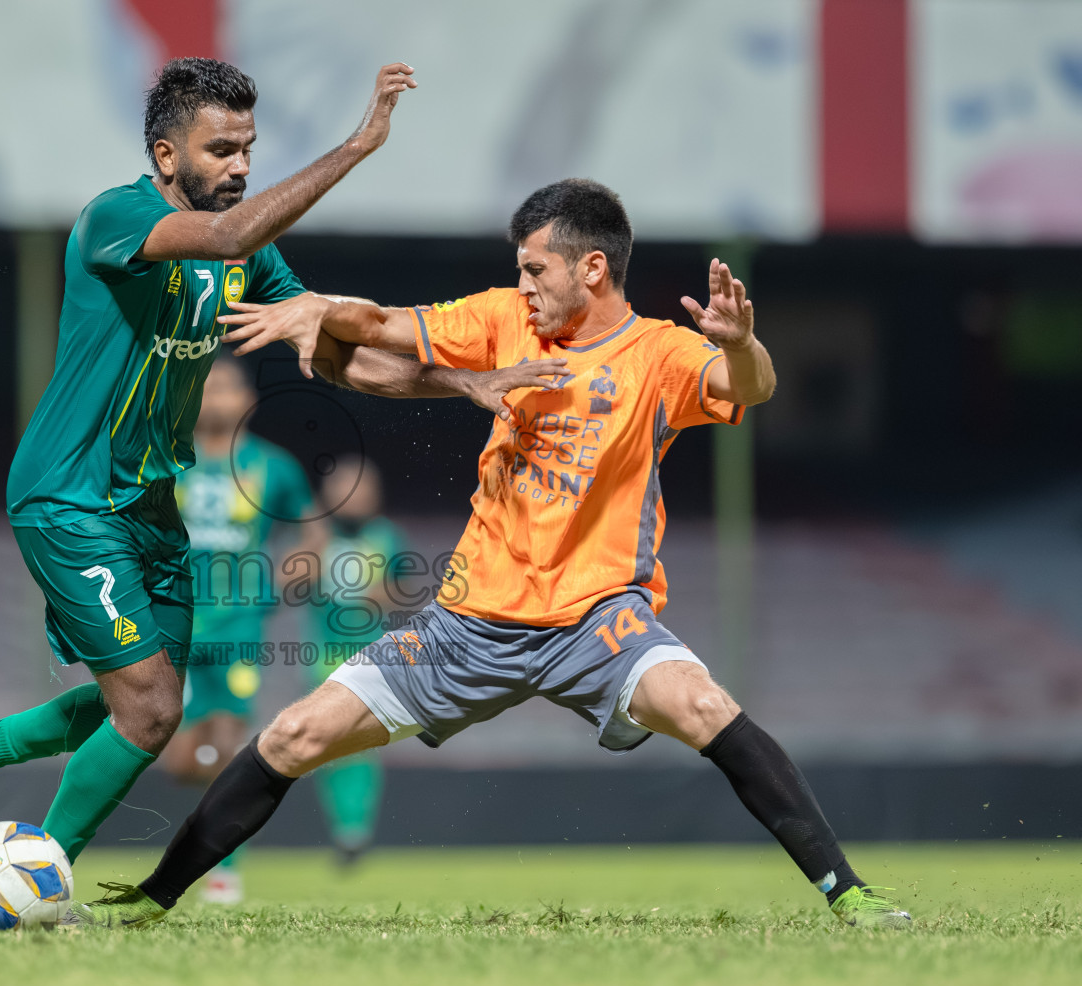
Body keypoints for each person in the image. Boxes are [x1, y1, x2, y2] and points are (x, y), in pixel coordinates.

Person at [67, 178, 913, 929]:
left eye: (534, 270)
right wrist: (317, 307)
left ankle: (850, 893)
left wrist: (736, 341)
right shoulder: (506, 321)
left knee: (702, 706)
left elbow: (750, 388)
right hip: (465, 625)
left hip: (597, 618)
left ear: (590, 270)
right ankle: (154, 897)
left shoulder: (659, 354)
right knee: (293, 734)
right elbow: (391, 327)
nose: (522, 286)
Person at [0, 56, 568, 869]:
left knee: (151, 707)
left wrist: (471, 384)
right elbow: (227, 232)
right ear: (165, 156)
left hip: (150, 507)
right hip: (68, 497)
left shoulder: (247, 263)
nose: (242, 165)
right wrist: (359, 144)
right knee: (150, 710)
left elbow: (338, 357)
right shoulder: (118, 217)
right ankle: (40, 873)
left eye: (248, 147)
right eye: (222, 150)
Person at [165, 357, 314, 904]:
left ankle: (224, 869)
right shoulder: (165, 461)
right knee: (182, 760)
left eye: (227, 386)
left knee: (232, 741)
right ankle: (208, 785)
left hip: (238, 626)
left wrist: (275, 590)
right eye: (207, 387)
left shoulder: (273, 467)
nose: (218, 397)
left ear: (246, 398)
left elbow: (311, 533)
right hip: (173, 624)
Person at [305, 456, 403, 865]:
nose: (353, 496)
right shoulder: (314, 533)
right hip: (323, 655)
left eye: (361, 488)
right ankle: (347, 826)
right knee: (326, 745)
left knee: (358, 744)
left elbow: (401, 592)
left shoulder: (387, 535)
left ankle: (353, 825)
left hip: (369, 655)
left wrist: (373, 592)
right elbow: (287, 584)